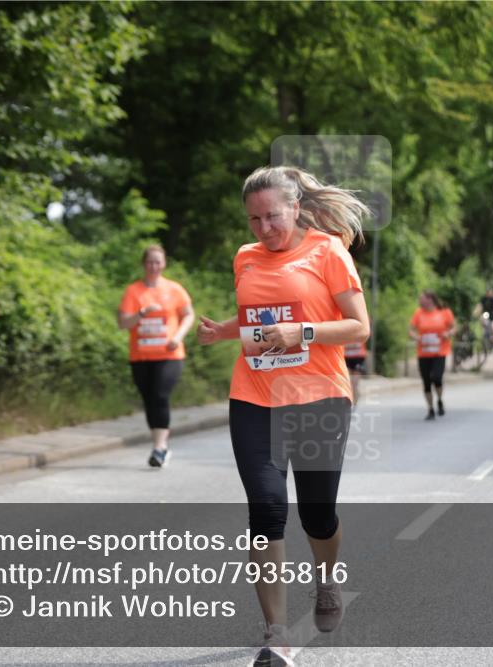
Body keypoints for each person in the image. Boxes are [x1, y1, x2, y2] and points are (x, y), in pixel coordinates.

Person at [196, 166, 370, 666]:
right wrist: (223, 332)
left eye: (272, 216)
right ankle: (276, 635)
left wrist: (305, 334)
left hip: (319, 397)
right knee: (267, 510)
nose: (263, 228)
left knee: (317, 514)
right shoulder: (245, 257)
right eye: (253, 219)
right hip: (254, 396)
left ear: (295, 208)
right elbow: (260, 321)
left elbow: (358, 327)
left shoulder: (327, 252)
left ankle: (327, 578)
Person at [118, 245, 194, 468]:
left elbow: (189, 315)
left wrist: (178, 336)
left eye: (158, 262)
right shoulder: (134, 291)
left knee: (160, 396)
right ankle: (159, 445)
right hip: (140, 356)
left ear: (164, 264)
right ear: (144, 264)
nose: (154, 266)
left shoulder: (174, 289)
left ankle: (159, 448)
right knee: (149, 399)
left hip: (169, 354)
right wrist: (141, 313)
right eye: (150, 262)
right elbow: (123, 324)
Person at [411, 291, 456, 419]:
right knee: (426, 381)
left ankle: (440, 400)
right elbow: (411, 330)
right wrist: (417, 337)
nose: (419, 301)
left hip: (439, 352)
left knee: (437, 378)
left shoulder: (444, 312)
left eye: (422, 298)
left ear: (430, 300)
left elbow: (453, 328)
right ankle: (430, 409)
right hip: (423, 353)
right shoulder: (418, 313)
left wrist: (448, 334)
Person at [343, 338, 368, 405]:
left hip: (358, 358)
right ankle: (350, 401)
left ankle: (354, 403)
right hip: (346, 357)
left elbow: (357, 344)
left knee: (354, 383)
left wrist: (346, 345)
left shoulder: (357, 328)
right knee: (348, 382)